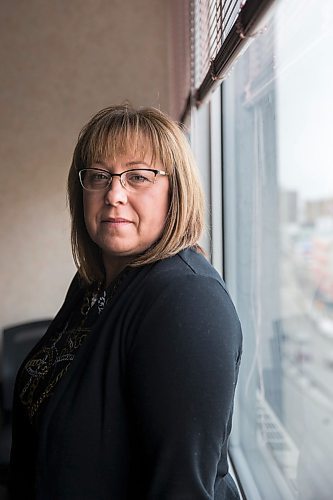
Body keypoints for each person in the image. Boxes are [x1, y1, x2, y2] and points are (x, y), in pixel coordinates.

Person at [10, 104, 242, 499]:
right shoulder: (92, 284)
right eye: (99, 176)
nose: (114, 194)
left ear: (176, 190)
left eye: (138, 176)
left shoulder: (185, 301)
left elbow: (180, 490)